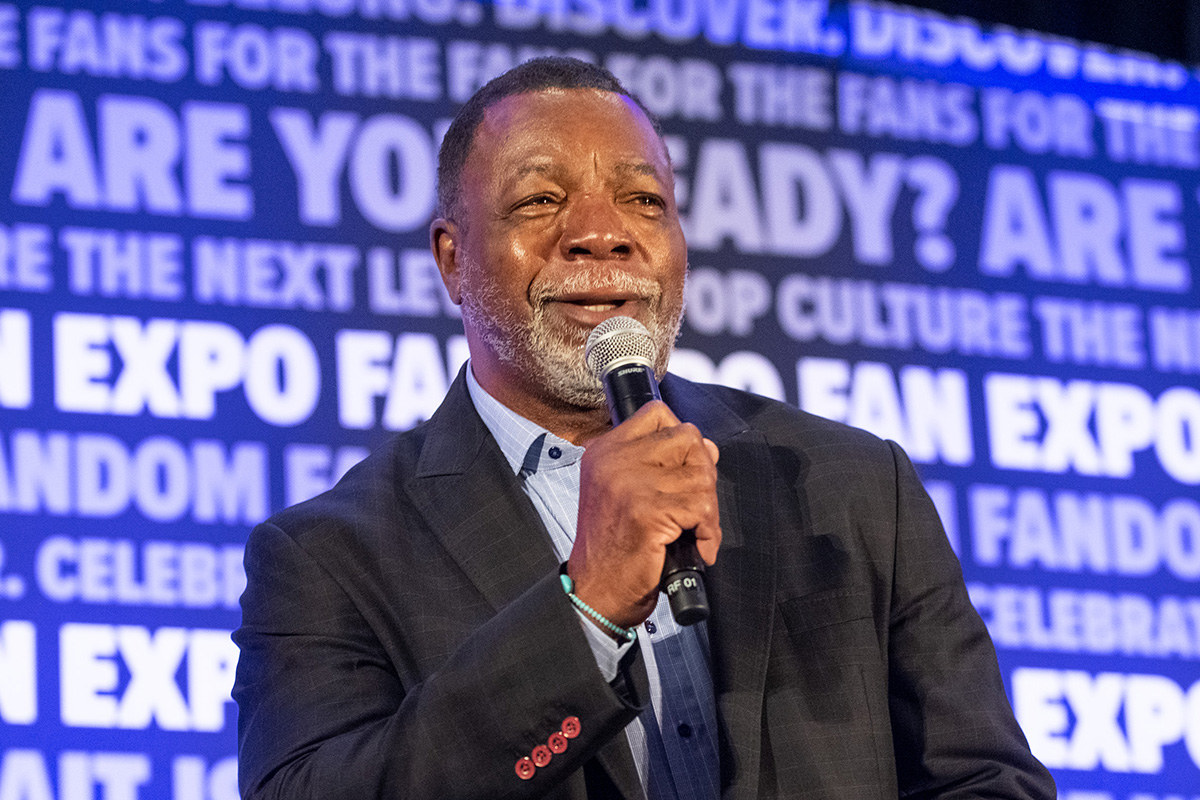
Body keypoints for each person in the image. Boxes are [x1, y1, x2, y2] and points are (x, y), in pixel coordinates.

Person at [233, 57, 1055, 800]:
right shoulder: (328, 560)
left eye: (643, 199)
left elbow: (986, 783)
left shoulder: (856, 487)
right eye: (541, 199)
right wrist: (585, 609)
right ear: (453, 259)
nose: (603, 231)